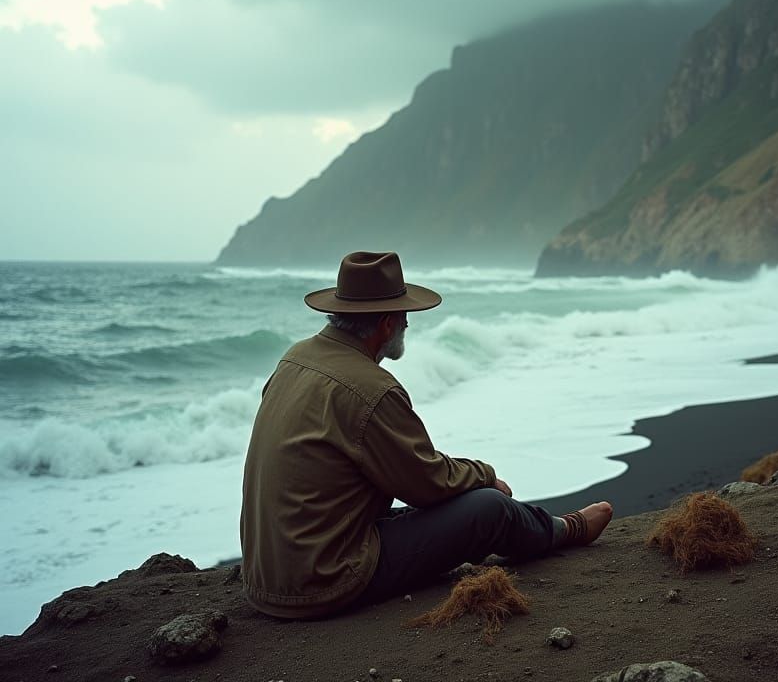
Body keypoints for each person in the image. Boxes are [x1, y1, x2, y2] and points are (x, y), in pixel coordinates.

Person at [240, 250, 613, 619]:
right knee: (488, 507)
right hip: (325, 581)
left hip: (267, 576)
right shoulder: (371, 388)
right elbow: (426, 483)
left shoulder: (295, 357)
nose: (407, 325)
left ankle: (539, 523)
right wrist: (485, 475)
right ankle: (565, 530)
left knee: (432, 509)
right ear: (387, 323)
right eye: (405, 315)